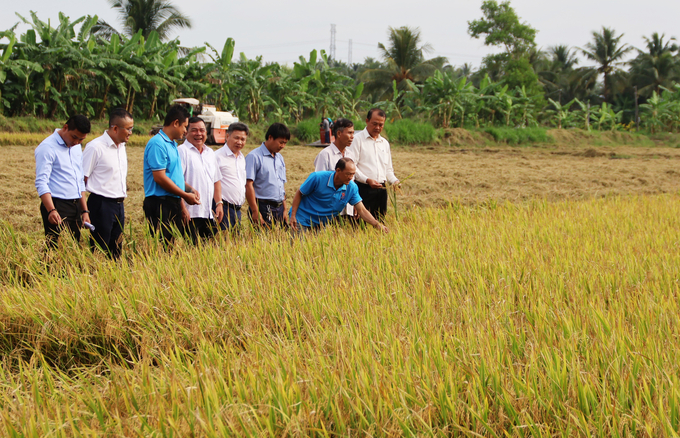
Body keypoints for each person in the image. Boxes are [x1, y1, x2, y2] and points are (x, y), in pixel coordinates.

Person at [143, 105, 200, 245]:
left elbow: (174, 177)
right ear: (175, 123)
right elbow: (160, 178)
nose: (185, 131)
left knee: (183, 244)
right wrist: (185, 195)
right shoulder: (158, 144)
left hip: (172, 202)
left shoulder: (173, 145)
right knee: (164, 246)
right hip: (160, 204)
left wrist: (189, 189)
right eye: (185, 126)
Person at [81, 108, 133, 259]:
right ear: (115, 128)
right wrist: (84, 211)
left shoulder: (121, 147)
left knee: (116, 251)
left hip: (119, 205)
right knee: (99, 251)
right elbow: (81, 180)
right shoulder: (95, 147)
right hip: (101, 205)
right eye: (128, 129)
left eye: (132, 129)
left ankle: (113, 280)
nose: (130, 133)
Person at [34, 114, 91, 248]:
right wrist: (51, 210)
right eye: (74, 137)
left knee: (72, 248)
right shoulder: (47, 147)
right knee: (54, 248)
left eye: (81, 139)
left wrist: (84, 211)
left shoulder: (76, 147)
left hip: (75, 205)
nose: (76, 142)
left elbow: (79, 180)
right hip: (58, 205)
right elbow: (41, 182)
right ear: (65, 128)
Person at [290, 158, 387, 233]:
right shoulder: (317, 178)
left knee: (317, 252)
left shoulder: (352, 187)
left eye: (352, 174)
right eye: (348, 174)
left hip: (322, 223)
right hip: (302, 219)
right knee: (299, 251)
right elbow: (300, 192)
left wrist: (377, 225)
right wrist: (293, 215)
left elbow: (361, 210)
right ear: (338, 171)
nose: (350, 177)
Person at [347, 108, 399, 220]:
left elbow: (388, 170)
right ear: (367, 121)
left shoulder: (384, 143)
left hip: (381, 190)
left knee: (380, 223)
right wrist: (367, 180)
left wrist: (394, 181)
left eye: (381, 125)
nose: (377, 128)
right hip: (363, 189)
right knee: (360, 223)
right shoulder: (357, 140)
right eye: (374, 124)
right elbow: (352, 167)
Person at [177, 117, 223, 243]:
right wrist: (183, 208)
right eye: (194, 130)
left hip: (208, 213)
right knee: (191, 251)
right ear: (186, 132)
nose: (199, 134)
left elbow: (216, 180)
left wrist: (219, 203)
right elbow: (177, 181)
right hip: (190, 214)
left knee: (209, 252)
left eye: (202, 130)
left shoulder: (210, 153)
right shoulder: (181, 151)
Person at [245, 123, 290, 227]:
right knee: (263, 241)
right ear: (270, 137)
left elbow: (281, 185)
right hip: (263, 207)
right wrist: (255, 211)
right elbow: (248, 185)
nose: (282, 146)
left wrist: (285, 209)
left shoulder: (280, 158)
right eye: (281, 142)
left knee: (279, 241)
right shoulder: (254, 157)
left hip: (279, 207)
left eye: (285, 143)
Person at [314, 118, 355, 217]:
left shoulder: (351, 155)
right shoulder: (325, 155)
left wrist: (355, 204)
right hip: (330, 210)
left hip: (348, 209)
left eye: (353, 133)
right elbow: (319, 183)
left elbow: (352, 181)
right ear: (339, 134)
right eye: (349, 133)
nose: (352, 137)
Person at [214, 122, 249, 230]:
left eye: (243, 139)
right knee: (222, 242)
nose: (239, 142)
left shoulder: (241, 158)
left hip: (237, 210)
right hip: (223, 208)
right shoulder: (217, 156)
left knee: (235, 243)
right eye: (236, 138)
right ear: (227, 136)